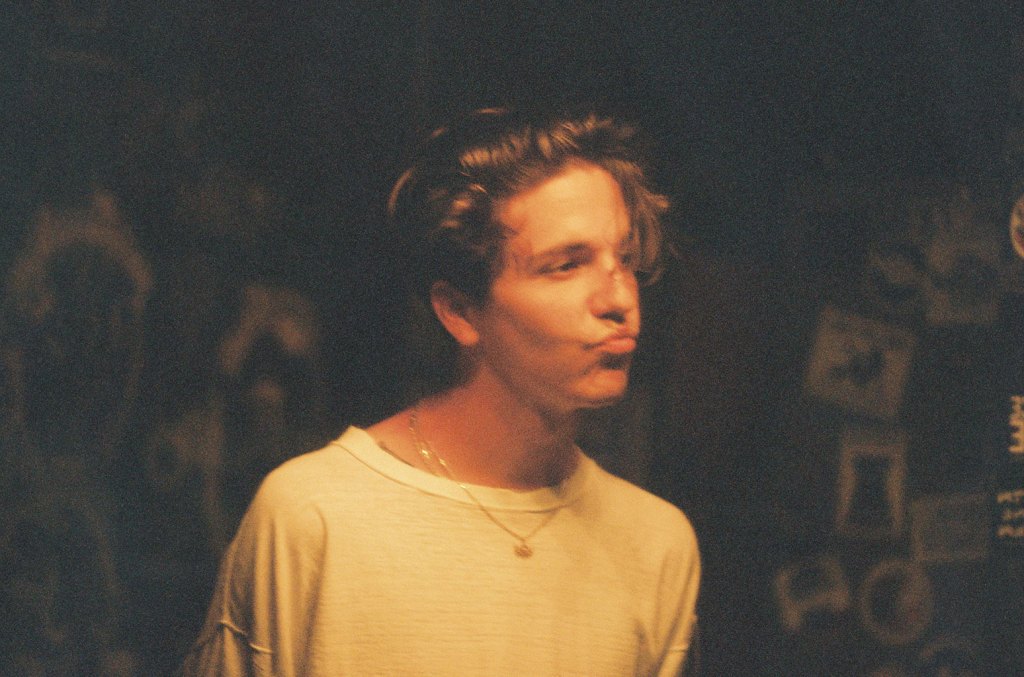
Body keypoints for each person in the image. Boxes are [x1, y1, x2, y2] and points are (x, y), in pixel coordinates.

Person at [181, 106, 701, 676]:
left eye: (624, 258)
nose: (620, 298)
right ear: (459, 310)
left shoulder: (657, 544)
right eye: (565, 265)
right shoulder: (315, 516)